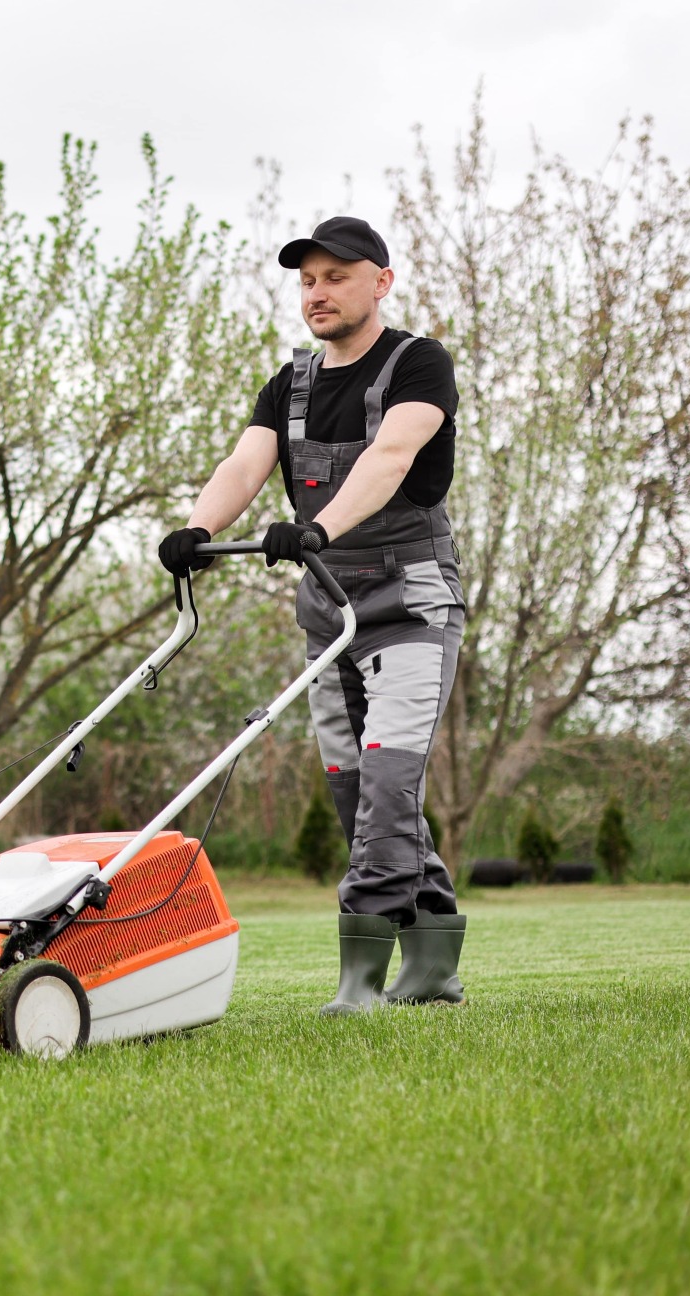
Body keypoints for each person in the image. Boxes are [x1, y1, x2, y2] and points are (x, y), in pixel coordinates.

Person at [158, 216, 467, 1015]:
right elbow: (246, 462)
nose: (318, 292)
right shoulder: (288, 384)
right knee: (356, 791)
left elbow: (390, 458)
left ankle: (360, 981)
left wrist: (320, 526)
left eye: (336, 276)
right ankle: (433, 958)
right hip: (330, 612)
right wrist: (198, 529)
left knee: (392, 784)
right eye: (307, 280)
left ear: (381, 282)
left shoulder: (418, 364)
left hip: (410, 602)